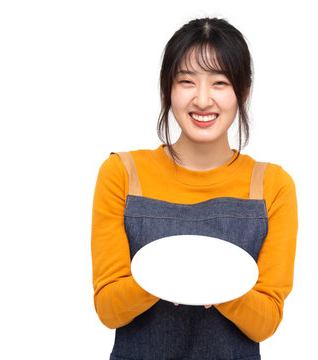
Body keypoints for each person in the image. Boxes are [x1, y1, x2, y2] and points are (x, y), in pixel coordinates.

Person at [91, 17, 298, 360]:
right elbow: (109, 309)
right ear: (167, 89)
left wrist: (217, 285)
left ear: (242, 91)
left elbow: (265, 322)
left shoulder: (271, 185)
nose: (202, 99)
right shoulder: (123, 173)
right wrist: (160, 279)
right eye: (187, 81)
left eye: (219, 82)